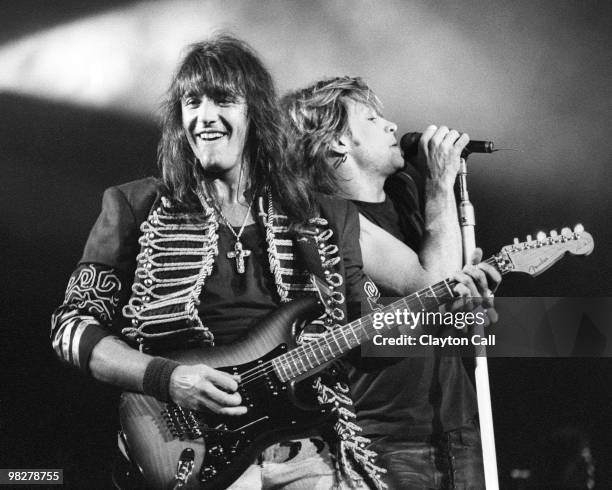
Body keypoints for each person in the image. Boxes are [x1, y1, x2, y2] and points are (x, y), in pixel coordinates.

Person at [51, 37, 495, 489]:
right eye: (191, 102)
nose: (204, 117)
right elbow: (71, 329)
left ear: (255, 113)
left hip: (307, 452)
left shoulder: (319, 213)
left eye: (223, 100)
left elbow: (392, 319)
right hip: (189, 447)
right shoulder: (135, 203)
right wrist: (167, 377)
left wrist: (458, 306)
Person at [282, 76, 500, 489]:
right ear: (338, 143)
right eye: (372, 118)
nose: (392, 125)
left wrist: (475, 299)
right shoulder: (326, 218)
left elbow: (445, 304)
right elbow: (430, 285)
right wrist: (440, 184)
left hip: (455, 422)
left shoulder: (402, 193)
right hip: (387, 439)